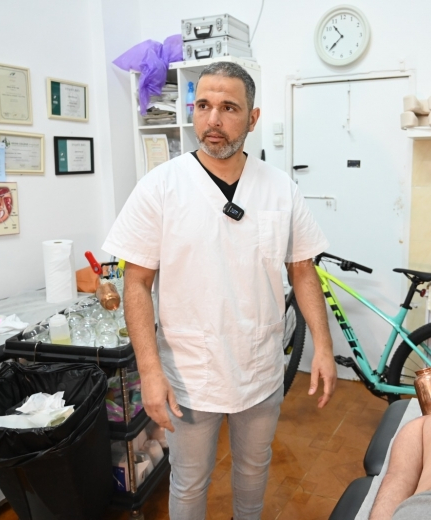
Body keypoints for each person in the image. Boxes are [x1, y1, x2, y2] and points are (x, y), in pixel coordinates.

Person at [102, 61, 337, 520]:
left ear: (253, 118)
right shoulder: (160, 187)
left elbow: (303, 272)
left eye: (229, 107)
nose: (213, 119)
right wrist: (149, 371)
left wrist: (324, 348)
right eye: (203, 106)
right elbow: (137, 283)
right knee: (190, 481)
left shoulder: (280, 189)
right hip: (191, 371)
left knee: (254, 470)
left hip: (260, 364)